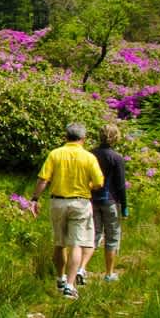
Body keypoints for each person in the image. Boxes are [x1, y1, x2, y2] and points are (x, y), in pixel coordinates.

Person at [32, 121, 105, 298]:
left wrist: (34, 199)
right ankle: (70, 286)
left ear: (66, 137)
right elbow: (99, 183)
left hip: (58, 202)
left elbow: (43, 179)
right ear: (83, 138)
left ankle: (60, 278)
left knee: (59, 243)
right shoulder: (89, 157)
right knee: (76, 244)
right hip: (80, 202)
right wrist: (87, 185)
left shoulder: (55, 154)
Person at [90, 129, 129, 283]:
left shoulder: (90, 154)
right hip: (110, 200)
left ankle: (81, 269)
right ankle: (109, 273)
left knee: (93, 235)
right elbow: (120, 185)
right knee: (112, 237)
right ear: (116, 138)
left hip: (91, 199)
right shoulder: (116, 157)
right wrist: (124, 206)